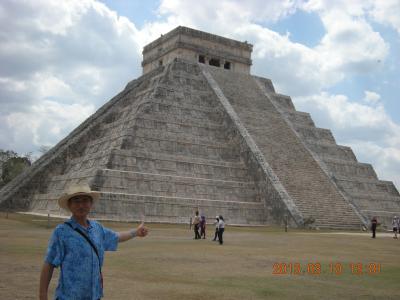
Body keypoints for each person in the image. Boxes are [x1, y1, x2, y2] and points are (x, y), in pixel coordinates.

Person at [39, 184, 149, 300]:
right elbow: (49, 264)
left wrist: (135, 233)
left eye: (85, 200)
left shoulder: (97, 228)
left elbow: (116, 237)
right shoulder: (61, 232)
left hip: (94, 296)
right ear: (70, 205)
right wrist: (42, 296)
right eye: (76, 201)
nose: (81, 205)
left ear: (91, 204)